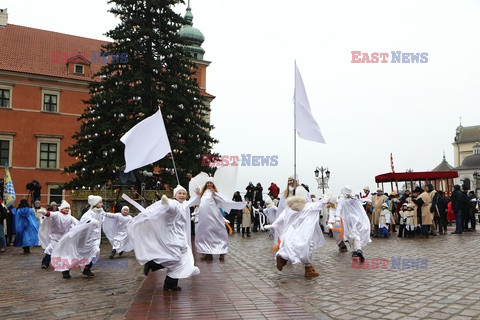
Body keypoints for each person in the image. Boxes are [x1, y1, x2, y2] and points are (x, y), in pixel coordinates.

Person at [128, 185, 200, 291]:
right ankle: (153, 264)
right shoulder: (174, 203)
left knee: (183, 260)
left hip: (181, 236)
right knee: (175, 258)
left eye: (184, 194)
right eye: (179, 193)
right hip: (172, 236)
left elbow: (191, 202)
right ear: (175, 195)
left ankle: (170, 284)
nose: (182, 195)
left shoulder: (184, 204)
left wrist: (197, 196)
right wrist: (166, 201)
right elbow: (170, 206)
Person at [266, 195, 326, 278]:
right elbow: (319, 204)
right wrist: (327, 198)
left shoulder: (288, 208)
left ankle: (283, 258)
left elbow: (281, 218)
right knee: (307, 248)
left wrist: (273, 225)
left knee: (289, 248)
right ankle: (308, 268)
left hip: (290, 233)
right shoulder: (307, 206)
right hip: (303, 233)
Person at [52, 195, 104, 278]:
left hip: (95, 239)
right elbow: (84, 220)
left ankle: (86, 269)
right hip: (85, 240)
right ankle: (66, 270)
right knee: (77, 256)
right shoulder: (89, 213)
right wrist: (92, 221)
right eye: (100, 202)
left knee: (96, 252)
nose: (102, 204)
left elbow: (106, 217)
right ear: (95, 203)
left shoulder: (100, 212)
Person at [195, 178, 246, 261]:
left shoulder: (214, 193)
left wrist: (215, 193)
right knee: (204, 234)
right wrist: (198, 195)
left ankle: (222, 251)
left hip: (214, 216)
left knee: (219, 232)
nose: (209, 184)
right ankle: (206, 252)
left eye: (210, 183)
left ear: (213, 184)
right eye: (207, 183)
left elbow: (223, 200)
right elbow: (198, 202)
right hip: (204, 217)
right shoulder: (203, 194)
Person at [38, 200, 78, 268]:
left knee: (67, 250)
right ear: (62, 208)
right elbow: (50, 214)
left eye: (68, 208)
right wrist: (44, 212)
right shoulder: (57, 214)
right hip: (55, 237)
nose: (67, 210)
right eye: (66, 208)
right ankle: (45, 263)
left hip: (65, 237)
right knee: (50, 249)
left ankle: (68, 263)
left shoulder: (70, 217)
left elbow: (78, 223)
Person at [336, 186, 371, 262]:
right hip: (358, 219)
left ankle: (358, 250)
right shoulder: (354, 199)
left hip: (350, 220)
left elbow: (339, 209)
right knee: (356, 235)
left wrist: (337, 217)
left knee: (353, 235)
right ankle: (357, 250)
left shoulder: (343, 200)